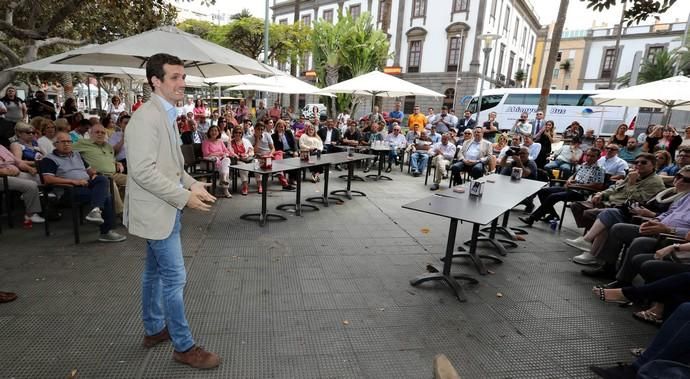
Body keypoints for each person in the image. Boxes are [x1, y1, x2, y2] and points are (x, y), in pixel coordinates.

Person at [124, 53, 220, 369]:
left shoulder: (164, 115)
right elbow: (141, 172)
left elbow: (174, 168)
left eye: (183, 76)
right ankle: (184, 346)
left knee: (154, 273)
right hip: (157, 212)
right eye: (175, 77)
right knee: (175, 279)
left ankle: (153, 329)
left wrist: (192, 184)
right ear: (156, 81)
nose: (182, 83)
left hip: (165, 210)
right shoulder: (145, 118)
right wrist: (183, 197)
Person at [40, 132, 124, 242]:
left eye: (69, 141)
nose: (67, 144)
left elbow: (89, 170)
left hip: (86, 184)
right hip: (68, 190)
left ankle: (96, 210)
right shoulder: (49, 159)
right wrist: (73, 181)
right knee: (106, 196)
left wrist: (93, 174)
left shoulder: (77, 155)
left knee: (102, 179)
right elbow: (48, 179)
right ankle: (106, 231)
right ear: (55, 144)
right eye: (63, 142)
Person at [568, 153, 665, 236]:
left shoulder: (655, 181)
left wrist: (632, 183)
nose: (639, 164)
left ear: (653, 165)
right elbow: (615, 188)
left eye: (643, 162)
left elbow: (637, 200)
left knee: (590, 213)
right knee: (576, 206)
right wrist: (601, 194)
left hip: (621, 208)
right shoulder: (634, 174)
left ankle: (591, 237)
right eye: (636, 162)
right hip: (608, 201)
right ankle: (592, 234)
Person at [520, 148, 606, 226]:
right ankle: (553, 215)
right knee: (542, 191)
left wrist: (577, 185)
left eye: (592, 156)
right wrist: (569, 180)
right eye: (588, 155)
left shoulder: (599, 169)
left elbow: (598, 185)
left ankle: (532, 218)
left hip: (581, 192)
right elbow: (574, 175)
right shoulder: (584, 165)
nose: (589, 157)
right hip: (571, 188)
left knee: (553, 197)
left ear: (598, 157)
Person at [73, 123, 127, 214]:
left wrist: (117, 163)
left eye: (102, 132)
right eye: (97, 132)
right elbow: (65, 151)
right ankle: (121, 213)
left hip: (114, 174)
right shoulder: (82, 143)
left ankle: (130, 208)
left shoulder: (108, 146)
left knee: (132, 181)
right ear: (90, 133)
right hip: (97, 177)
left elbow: (111, 159)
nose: (100, 134)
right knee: (111, 184)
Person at [0, 142, 44, 224]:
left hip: (15, 173)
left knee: (43, 179)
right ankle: (31, 215)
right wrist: (5, 172)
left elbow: (18, 162)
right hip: (3, 177)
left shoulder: (1, 146)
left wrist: (29, 168)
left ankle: (52, 204)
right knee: (30, 185)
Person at [201, 125, 233, 198]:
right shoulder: (205, 142)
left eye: (216, 130)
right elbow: (206, 154)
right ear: (209, 132)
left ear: (218, 132)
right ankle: (225, 190)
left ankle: (224, 179)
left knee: (227, 160)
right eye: (212, 130)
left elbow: (226, 151)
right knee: (220, 162)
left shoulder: (220, 141)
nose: (214, 132)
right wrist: (219, 153)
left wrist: (225, 154)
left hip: (220, 162)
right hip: (209, 163)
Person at [229, 125, 253, 195]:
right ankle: (245, 186)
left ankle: (259, 184)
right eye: (236, 132)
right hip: (237, 160)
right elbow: (230, 152)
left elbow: (251, 150)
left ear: (242, 133)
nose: (238, 134)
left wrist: (247, 155)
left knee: (256, 163)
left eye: (240, 133)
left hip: (247, 158)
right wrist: (238, 156)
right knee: (243, 166)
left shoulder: (246, 141)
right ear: (233, 133)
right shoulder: (231, 142)